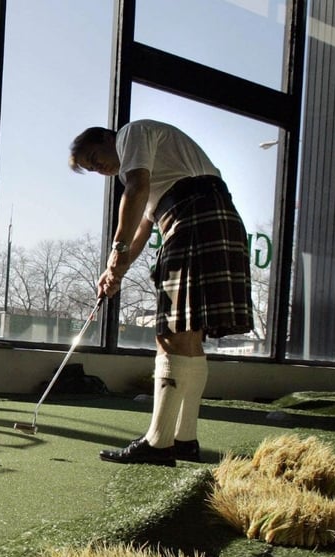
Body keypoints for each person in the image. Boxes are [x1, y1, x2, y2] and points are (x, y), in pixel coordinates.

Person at [69, 120, 253, 466]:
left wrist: (116, 251)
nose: (101, 169)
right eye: (93, 169)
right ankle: (184, 440)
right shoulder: (160, 167)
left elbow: (136, 189)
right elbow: (143, 226)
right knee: (188, 337)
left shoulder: (132, 135)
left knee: (169, 336)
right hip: (213, 217)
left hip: (192, 220)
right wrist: (116, 270)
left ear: (108, 138)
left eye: (95, 158)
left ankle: (158, 442)